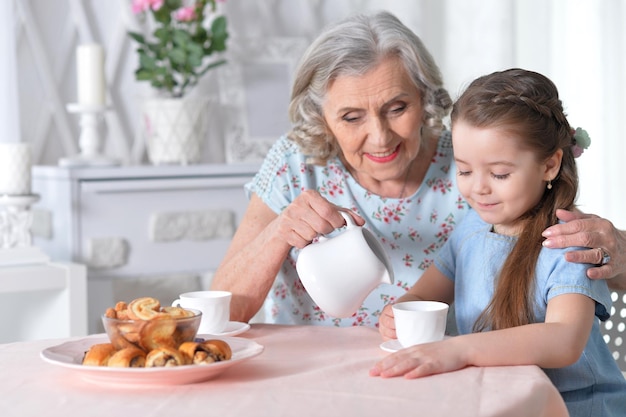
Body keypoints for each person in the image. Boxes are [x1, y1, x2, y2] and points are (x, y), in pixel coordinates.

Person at [210, 10, 626, 327]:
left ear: (426, 98)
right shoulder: (295, 163)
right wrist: (280, 232)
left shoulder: (473, 163)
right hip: (308, 379)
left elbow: (569, 259)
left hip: (442, 377)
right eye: (352, 117)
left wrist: (619, 253)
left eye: (397, 108)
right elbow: (221, 314)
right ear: (322, 119)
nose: (380, 137)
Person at [370, 68, 626, 416]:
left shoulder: (569, 242)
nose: (479, 188)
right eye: (464, 170)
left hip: (575, 408)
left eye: (500, 174)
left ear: (549, 165)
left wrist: (458, 350)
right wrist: (399, 312)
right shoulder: (471, 228)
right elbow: (423, 294)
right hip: (494, 400)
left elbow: (564, 339)